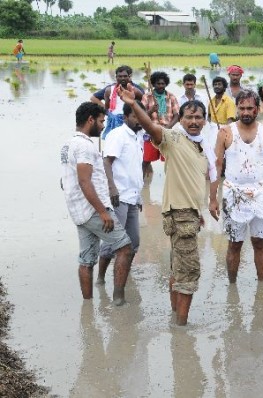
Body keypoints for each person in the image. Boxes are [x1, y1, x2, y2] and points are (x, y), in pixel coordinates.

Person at [120, 83, 210, 326]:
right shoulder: (174, 139)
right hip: (181, 216)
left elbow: (193, 182)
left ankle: (174, 318)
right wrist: (134, 104)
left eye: (198, 117)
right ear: (180, 119)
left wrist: (199, 211)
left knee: (177, 268)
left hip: (187, 213)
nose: (194, 121)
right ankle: (182, 330)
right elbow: (151, 127)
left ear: (204, 121)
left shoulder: (200, 147)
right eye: (189, 117)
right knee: (188, 273)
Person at [60, 102, 132, 305]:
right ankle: (119, 300)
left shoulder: (68, 144)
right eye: (101, 121)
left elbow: (65, 180)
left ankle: (88, 305)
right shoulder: (84, 145)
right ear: (90, 120)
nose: (102, 126)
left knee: (86, 259)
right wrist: (103, 212)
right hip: (93, 210)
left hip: (78, 211)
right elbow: (85, 181)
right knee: (125, 248)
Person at [209, 89, 263, 284]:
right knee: (234, 244)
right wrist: (212, 199)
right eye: (241, 108)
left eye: (250, 108)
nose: (245, 112)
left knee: (260, 242)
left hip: (261, 193)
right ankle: (232, 286)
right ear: (237, 109)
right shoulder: (225, 132)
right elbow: (216, 165)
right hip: (233, 193)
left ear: (257, 109)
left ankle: (261, 285)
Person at [97, 101, 146, 287]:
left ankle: (124, 273)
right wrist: (111, 188)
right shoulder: (117, 135)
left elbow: (134, 167)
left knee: (133, 242)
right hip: (119, 196)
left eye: (141, 115)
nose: (139, 119)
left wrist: (140, 195)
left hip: (133, 196)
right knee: (113, 242)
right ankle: (101, 278)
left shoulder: (138, 136)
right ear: (125, 117)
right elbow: (106, 162)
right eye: (135, 116)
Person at [141, 71, 180, 177]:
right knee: (146, 160)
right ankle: (142, 183)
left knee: (169, 160)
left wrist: (169, 126)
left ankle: (171, 182)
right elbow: (141, 115)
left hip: (167, 132)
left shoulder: (171, 96)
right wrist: (151, 110)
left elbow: (177, 115)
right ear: (153, 84)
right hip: (151, 132)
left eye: (163, 83)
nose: (161, 86)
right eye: (158, 83)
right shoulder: (147, 97)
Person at [101, 66, 144, 138]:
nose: (122, 78)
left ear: (129, 77)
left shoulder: (135, 91)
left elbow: (141, 107)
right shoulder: (109, 90)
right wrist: (112, 117)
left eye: (125, 76)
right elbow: (106, 108)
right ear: (116, 77)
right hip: (113, 123)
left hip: (129, 123)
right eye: (120, 76)